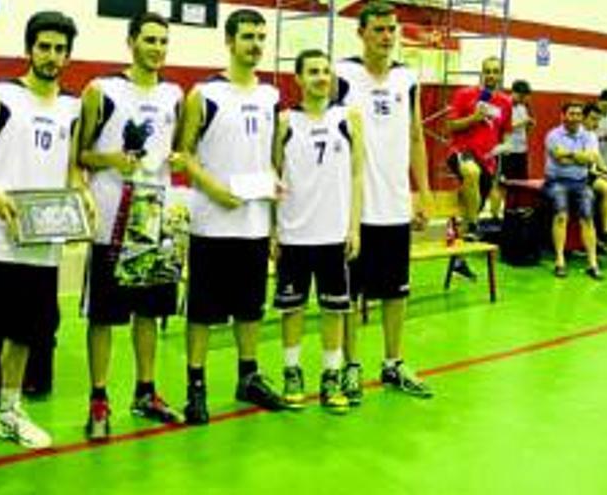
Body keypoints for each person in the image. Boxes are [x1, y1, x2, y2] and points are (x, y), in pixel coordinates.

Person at [0, 11, 87, 479]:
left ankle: (9, 412)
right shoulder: (1, 95)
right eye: (44, 47)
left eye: (60, 48)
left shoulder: (73, 106)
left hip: (43, 242)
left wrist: (79, 196)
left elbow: (70, 169)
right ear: (30, 48)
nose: (52, 56)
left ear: (69, 53)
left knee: (29, 332)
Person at [175, 8, 288, 425]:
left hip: (255, 224)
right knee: (203, 311)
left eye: (261, 37)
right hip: (211, 222)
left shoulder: (271, 96)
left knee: (250, 308)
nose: (256, 44)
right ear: (229, 41)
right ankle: (196, 387)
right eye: (248, 37)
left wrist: (275, 218)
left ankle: (248, 377)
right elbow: (183, 153)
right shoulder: (204, 94)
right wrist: (214, 189)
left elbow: (274, 160)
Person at [79, 12, 186, 441]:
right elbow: (81, 154)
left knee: (150, 313)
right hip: (110, 223)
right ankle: (98, 399)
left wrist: (177, 161)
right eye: (149, 40)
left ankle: (145, 392)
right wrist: (110, 161)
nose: (157, 48)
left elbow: (175, 150)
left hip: (154, 224)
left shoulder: (174, 94)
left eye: (163, 41)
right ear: (130, 42)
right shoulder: (101, 91)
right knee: (104, 318)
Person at [334, 0, 434, 403]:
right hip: (353, 209)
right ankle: (350, 366)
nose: (387, 36)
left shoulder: (407, 78)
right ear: (361, 33)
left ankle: (393, 363)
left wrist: (422, 192)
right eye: (378, 29)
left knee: (396, 291)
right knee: (350, 293)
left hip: (394, 204)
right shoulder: (341, 74)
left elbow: (415, 136)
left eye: (392, 29)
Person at [273, 48, 366, 413]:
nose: (321, 77)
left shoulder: (348, 118)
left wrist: (354, 226)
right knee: (292, 309)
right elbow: (273, 177)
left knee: (333, 310)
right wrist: (272, 231)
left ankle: (331, 378)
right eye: (313, 71)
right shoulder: (284, 123)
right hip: (294, 233)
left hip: (333, 234)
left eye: (326, 71)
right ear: (298, 78)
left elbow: (358, 175)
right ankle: (292, 372)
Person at [446, 56, 514, 231]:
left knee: (473, 205)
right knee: (471, 172)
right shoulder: (465, 94)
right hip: (462, 151)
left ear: (500, 75)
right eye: (488, 71)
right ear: (482, 74)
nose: (491, 75)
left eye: (495, 72)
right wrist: (473, 118)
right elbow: (451, 125)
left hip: (488, 160)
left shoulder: (505, 102)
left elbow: (506, 134)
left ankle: (465, 232)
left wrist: (505, 147)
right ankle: (474, 224)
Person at [544, 101, 603, 279]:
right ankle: (560, 261)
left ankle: (592, 264)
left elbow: (590, 159)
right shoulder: (553, 135)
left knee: (587, 218)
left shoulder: (590, 135)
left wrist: (569, 154)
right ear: (563, 116)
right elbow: (560, 160)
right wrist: (580, 157)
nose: (575, 118)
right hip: (556, 182)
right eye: (571, 114)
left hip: (581, 182)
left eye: (578, 114)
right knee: (561, 215)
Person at [583, 102, 607, 251]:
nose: (595, 123)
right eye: (593, 119)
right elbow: (588, 167)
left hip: (592, 174)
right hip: (581, 176)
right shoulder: (579, 135)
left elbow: (599, 162)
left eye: (597, 120)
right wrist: (605, 176)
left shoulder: (593, 136)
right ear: (583, 118)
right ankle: (606, 232)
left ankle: (606, 233)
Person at [501, 79, 534, 181]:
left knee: (522, 182)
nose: (523, 99)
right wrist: (523, 122)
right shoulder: (504, 105)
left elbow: (525, 130)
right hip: (508, 151)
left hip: (521, 150)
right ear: (513, 93)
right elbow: (502, 126)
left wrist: (529, 125)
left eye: (525, 97)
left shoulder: (523, 107)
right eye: (521, 96)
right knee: (507, 182)